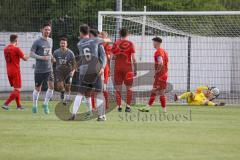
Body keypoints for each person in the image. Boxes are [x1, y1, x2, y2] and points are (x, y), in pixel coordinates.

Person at [69, 25, 106, 121]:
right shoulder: (95, 41)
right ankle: (101, 116)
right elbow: (105, 46)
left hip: (84, 71)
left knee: (80, 93)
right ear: (89, 33)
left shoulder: (79, 43)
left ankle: (74, 114)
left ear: (81, 32)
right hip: (95, 69)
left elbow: (82, 57)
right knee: (98, 93)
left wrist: (76, 66)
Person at [139, 37, 168, 112]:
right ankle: (162, 109)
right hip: (164, 74)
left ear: (157, 43)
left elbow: (161, 62)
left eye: (153, 42)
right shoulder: (164, 51)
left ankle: (149, 107)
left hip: (160, 74)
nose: (153, 44)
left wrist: (157, 71)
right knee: (160, 91)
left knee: (155, 90)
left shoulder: (158, 52)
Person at [30, 23, 54, 114]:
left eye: (49, 30)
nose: (47, 31)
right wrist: (41, 57)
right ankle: (34, 105)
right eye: (46, 29)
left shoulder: (51, 40)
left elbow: (49, 52)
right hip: (39, 69)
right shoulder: (37, 42)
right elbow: (31, 54)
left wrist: (52, 57)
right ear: (42, 30)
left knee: (51, 87)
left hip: (49, 68)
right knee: (38, 88)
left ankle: (45, 104)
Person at [112, 28, 137, 112]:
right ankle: (128, 107)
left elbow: (113, 57)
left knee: (118, 88)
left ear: (120, 34)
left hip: (118, 68)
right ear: (128, 34)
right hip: (128, 68)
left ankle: (119, 106)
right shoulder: (130, 44)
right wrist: (135, 69)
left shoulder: (116, 43)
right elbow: (134, 59)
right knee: (129, 88)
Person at [2, 34, 29, 110]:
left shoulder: (5, 49)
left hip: (9, 71)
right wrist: (30, 54)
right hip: (15, 71)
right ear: (16, 40)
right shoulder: (16, 49)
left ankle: (19, 106)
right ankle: (6, 104)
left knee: (16, 88)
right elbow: (25, 58)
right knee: (18, 89)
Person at [53, 37, 76, 105]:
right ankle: (62, 92)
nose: (63, 44)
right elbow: (52, 61)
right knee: (60, 87)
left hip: (68, 72)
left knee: (68, 87)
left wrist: (73, 71)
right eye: (61, 43)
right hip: (59, 71)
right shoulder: (56, 52)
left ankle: (66, 99)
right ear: (60, 44)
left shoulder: (70, 53)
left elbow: (74, 64)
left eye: (64, 43)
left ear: (67, 44)